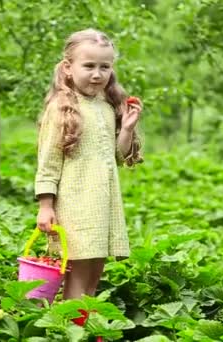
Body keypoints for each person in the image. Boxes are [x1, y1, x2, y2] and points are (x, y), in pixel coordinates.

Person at [34, 28, 143, 300]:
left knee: (93, 279)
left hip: (102, 206)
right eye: (89, 66)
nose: (97, 74)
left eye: (104, 67)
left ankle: (85, 327)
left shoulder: (106, 107)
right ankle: (70, 330)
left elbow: (117, 158)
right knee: (78, 278)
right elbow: (47, 163)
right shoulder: (61, 108)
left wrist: (127, 130)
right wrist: (46, 206)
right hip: (76, 208)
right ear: (69, 68)